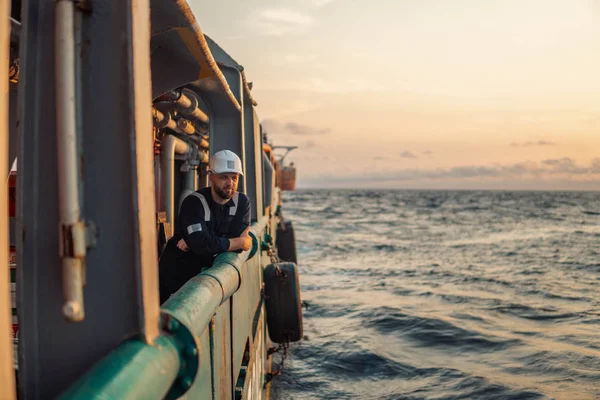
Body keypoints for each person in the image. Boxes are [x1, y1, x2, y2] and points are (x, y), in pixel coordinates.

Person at [159, 150, 252, 304]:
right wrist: (239, 241)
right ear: (211, 177)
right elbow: (203, 245)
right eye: (224, 177)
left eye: (234, 178)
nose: (230, 183)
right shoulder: (194, 202)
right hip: (173, 283)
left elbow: (205, 244)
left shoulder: (242, 202)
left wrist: (201, 241)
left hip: (202, 284)